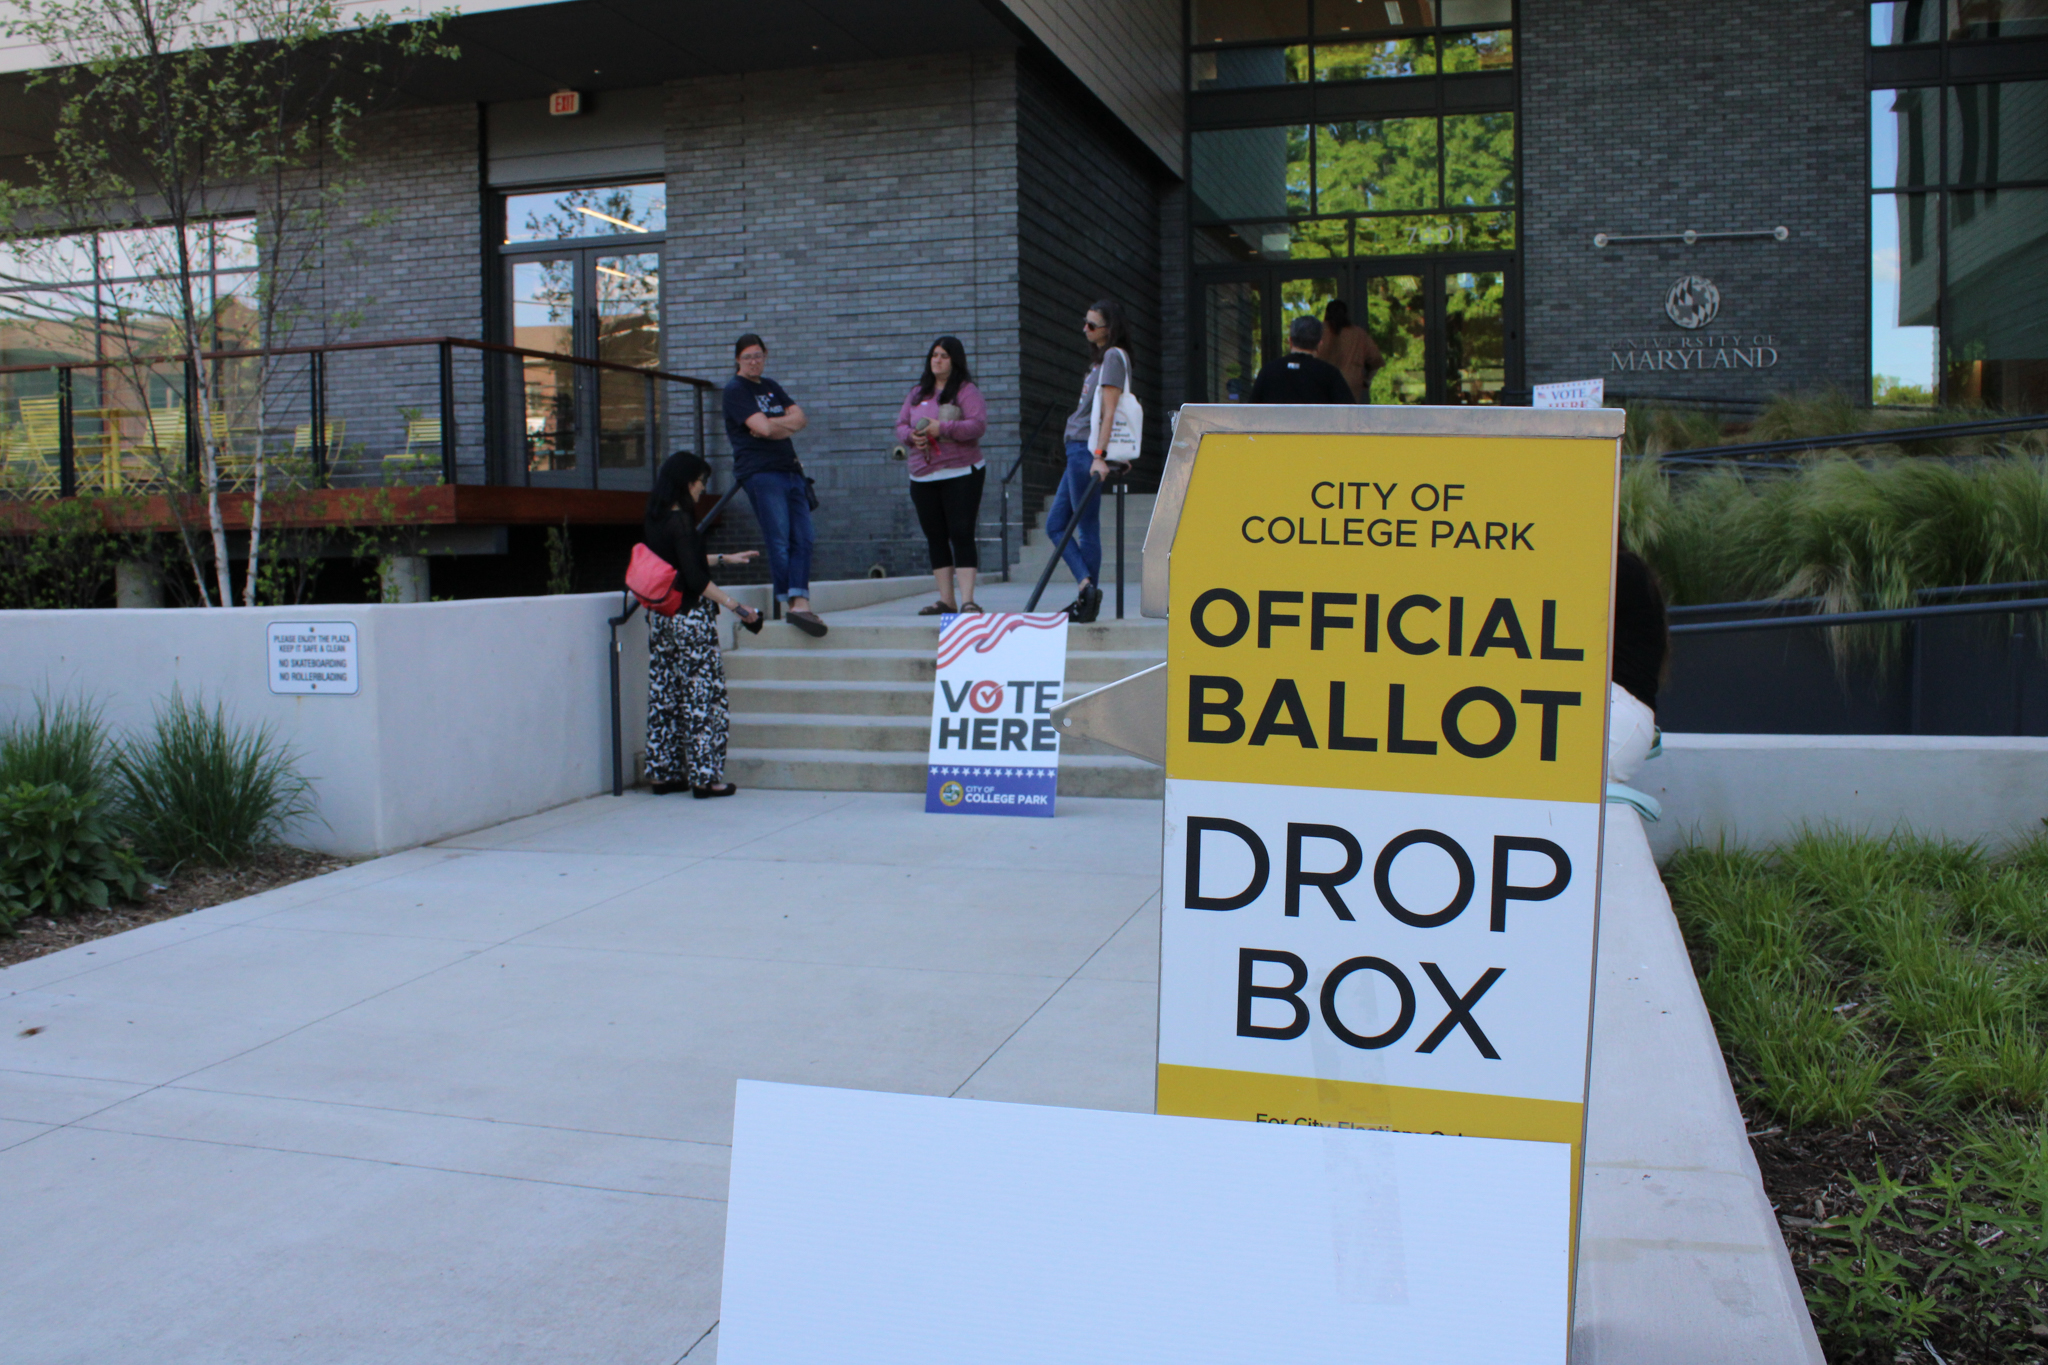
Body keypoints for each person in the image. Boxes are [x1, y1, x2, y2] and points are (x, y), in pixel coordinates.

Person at [642, 450, 762, 797]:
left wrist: (724, 558)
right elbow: (694, 578)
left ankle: (663, 774)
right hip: (690, 618)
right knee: (703, 698)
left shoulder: (656, 518)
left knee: (665, 695)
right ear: (686, 482)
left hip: (661, 618)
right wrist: (737, 607)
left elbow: (678, 561)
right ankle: (705, 779)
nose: (702, 488)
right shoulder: (681, 520)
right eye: (700, 481)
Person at [724, 333, 826, 637]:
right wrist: (778, 424)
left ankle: (800, 601)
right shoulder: (735, 390)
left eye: (758, 356)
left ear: (765, 355)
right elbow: (764, 427)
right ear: (737, 360)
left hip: (791, 470)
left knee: (804, 536)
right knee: (780, 538)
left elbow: (800, 419)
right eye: (747, 357)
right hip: (761, 472)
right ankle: (793, 603)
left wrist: (772, 425)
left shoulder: (770, 386)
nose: (754, 362)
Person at [1045, 298, 1132, 623]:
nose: (1085, 329)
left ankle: (1087, 596)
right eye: (1085, 322)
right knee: (1056, 525)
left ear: (1110, 328)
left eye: (1092, 325)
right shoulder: (1103, 360)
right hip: (1080, 448)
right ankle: (1086, 588)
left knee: (1085, 526)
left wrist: (1100, 455)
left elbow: (1111, 411)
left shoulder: (1112, 357)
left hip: (1086, 449)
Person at [895, 335, 990, 615]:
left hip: (961, 472)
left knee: (961, 533)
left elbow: (977, 425)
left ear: (954, 360)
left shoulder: (966, 391)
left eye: (944, 356)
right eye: (934, 355)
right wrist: (911, 436)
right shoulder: (917, 393)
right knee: (935, 537)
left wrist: (943, 428)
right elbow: (900, 425)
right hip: (923, 476)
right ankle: (946, 600)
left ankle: (968, 600)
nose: (937, 360)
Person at [1250, 316, 1354, 404]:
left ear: (1290, 341)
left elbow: (1251, 410)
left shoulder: (1269, 371)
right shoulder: (1330, 374)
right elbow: (1350, 412)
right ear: (1319, 344)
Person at [1315, 298, 1383, 402]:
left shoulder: (1318, 331)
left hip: (1322, 383)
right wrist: (1367, 380)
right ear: (1346, 314)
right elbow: (1376, 359)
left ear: (1327, 313)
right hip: (1350, 384)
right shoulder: (1358, 334)